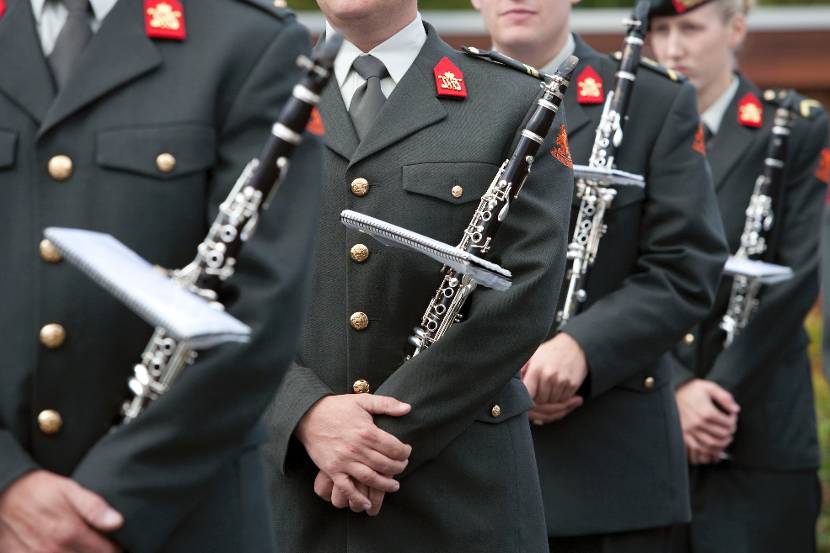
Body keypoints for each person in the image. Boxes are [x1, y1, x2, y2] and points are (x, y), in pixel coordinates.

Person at [0, 0, 322, 551]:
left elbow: (260, 310)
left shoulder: (246, 40)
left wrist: (112, 503)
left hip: (186, 520)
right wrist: (9, 485)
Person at [263, 0, 575, 551]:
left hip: (457, 494)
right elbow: (212, 287)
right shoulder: (254, 96)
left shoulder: (515, 99)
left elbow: (522, 295)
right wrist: (301, 411)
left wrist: (380, 440)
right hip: (289, 490)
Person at [472, 0, 728, 551]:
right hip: (466, 468)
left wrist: (583, 349)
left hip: (608, 473)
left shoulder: (655, 100)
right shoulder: (438, 97)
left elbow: (687, 265)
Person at [649, 0, 829, 551]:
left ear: (737, 26)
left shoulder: (794, 127)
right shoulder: (636, 129)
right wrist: (676, 390)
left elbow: (797, 275)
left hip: (759, 431)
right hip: (653, 422)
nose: (673, 48)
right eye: (660, 30)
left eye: (691, 28)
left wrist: (715, 393)